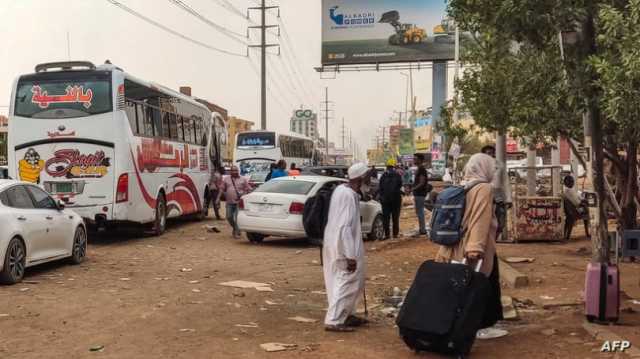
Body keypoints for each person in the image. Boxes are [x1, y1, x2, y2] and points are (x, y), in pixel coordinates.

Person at [435, 153, 503, 329]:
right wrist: (476, 247)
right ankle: (478, 324)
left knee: (465, 285)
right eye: (492, 168)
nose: (494, 172)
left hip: (454, 245)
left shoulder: (463, 185)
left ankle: (473, 321)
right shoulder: (483, 188)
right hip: (474, 247)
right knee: (479, 284)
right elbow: (480, 218)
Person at [323, 162, 370, 332]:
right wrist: (350, 255)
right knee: (347, 280)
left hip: (335, 242)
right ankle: (334, 319)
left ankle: (346, 314)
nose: (370, 181)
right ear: (360, 178)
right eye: (368, 177)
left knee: (345, 281)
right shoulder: (348, 196)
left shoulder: (343, 191)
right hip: (343, 245)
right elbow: (345, 227)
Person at [221, 166, 252, 239]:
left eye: (236, 170)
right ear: (230, 171)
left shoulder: (243, 179)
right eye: (233, 170)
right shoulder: (226, 179)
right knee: (229, 217)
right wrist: (217, 198)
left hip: (239, 202)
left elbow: (248, 189)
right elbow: (222, 189)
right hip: (229, 202)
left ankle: (237, 232)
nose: (234, 172)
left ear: (238, 171)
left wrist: (244, 194)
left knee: (237, 218)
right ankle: (235, 228)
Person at [379, 158, 403, 239]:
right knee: (395, 218)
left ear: (387, 167)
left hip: (386, 200)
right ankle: (395, 234)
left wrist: (382, 198)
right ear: (393, 167)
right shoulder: (397, 175)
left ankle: (387, 235)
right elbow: (400, 185)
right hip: (396, 200)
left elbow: (380, 188)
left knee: (386, 218)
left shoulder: (383, 176)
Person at [562, 175, 590, 240]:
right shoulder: (569, 190)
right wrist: (584, 202)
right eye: (571, 182)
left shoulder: (566, 189)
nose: (573, 183)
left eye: (573, 181)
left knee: (585, 203)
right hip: (575, 211)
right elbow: (577, 203)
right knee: (588, 209)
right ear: (567, 182)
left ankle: (566, 235)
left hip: (570, 211)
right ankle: (587, 233)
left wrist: (582, 199)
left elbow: (577, 197)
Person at [412, 153, 430, 235]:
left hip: (420, 194)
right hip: (418, 193)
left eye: (415, 159)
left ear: (420, 160)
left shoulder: (421, 169)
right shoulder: (419, 169)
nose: (414, 160)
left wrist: (413, 188)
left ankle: (422, 230)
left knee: (420, 212)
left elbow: (422, 182)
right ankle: (422, 229)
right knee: (419, 211)